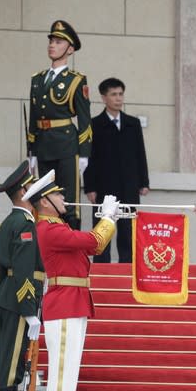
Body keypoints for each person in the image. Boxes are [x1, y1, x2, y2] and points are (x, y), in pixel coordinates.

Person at [23, 171, 119, 391]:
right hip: (63, 305)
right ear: (45, 202)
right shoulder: (50, 229)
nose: (64, 198)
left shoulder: (57, 227)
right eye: (58, 194)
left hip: (72, 303)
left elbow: (93, 246)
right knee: (62, 375)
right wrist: (108, 219)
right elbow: (93, 242)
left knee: (68, 375)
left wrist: (108, 220)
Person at [0, 161, 45, 391]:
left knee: (2, 368)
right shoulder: (24, 224)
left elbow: (0, 269)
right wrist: (28, 308)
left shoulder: (6, 223)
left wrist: (2, 298)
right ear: (24, 191)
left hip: (6, 299)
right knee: (10, 370)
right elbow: (23, 270)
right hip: (19, 302)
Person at [27, 20, 92, 230]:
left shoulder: (76, 80)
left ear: (70, 49)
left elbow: (84, 120)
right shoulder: (37, 79)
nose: (52, 45)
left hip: (66, 145)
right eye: (51, 41)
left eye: (58, 42)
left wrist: (84, 154)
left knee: (68, 202)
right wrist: (32, 150)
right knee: (46, 199)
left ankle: (72, 244)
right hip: (44, 145)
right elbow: (34, 118)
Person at [84, 77, 150, 263]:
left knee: (128, 231)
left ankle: (127, 270)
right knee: (102, 230)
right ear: (104, 98)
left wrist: (144, 181)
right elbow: (88, 158)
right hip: (104, 186)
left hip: (129, 185)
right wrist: (89, 187)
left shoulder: (132, 123)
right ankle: (101, 270)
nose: (118, 98)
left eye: (121, 94)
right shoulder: (94, 124)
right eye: (113, 94)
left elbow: (140, 153)